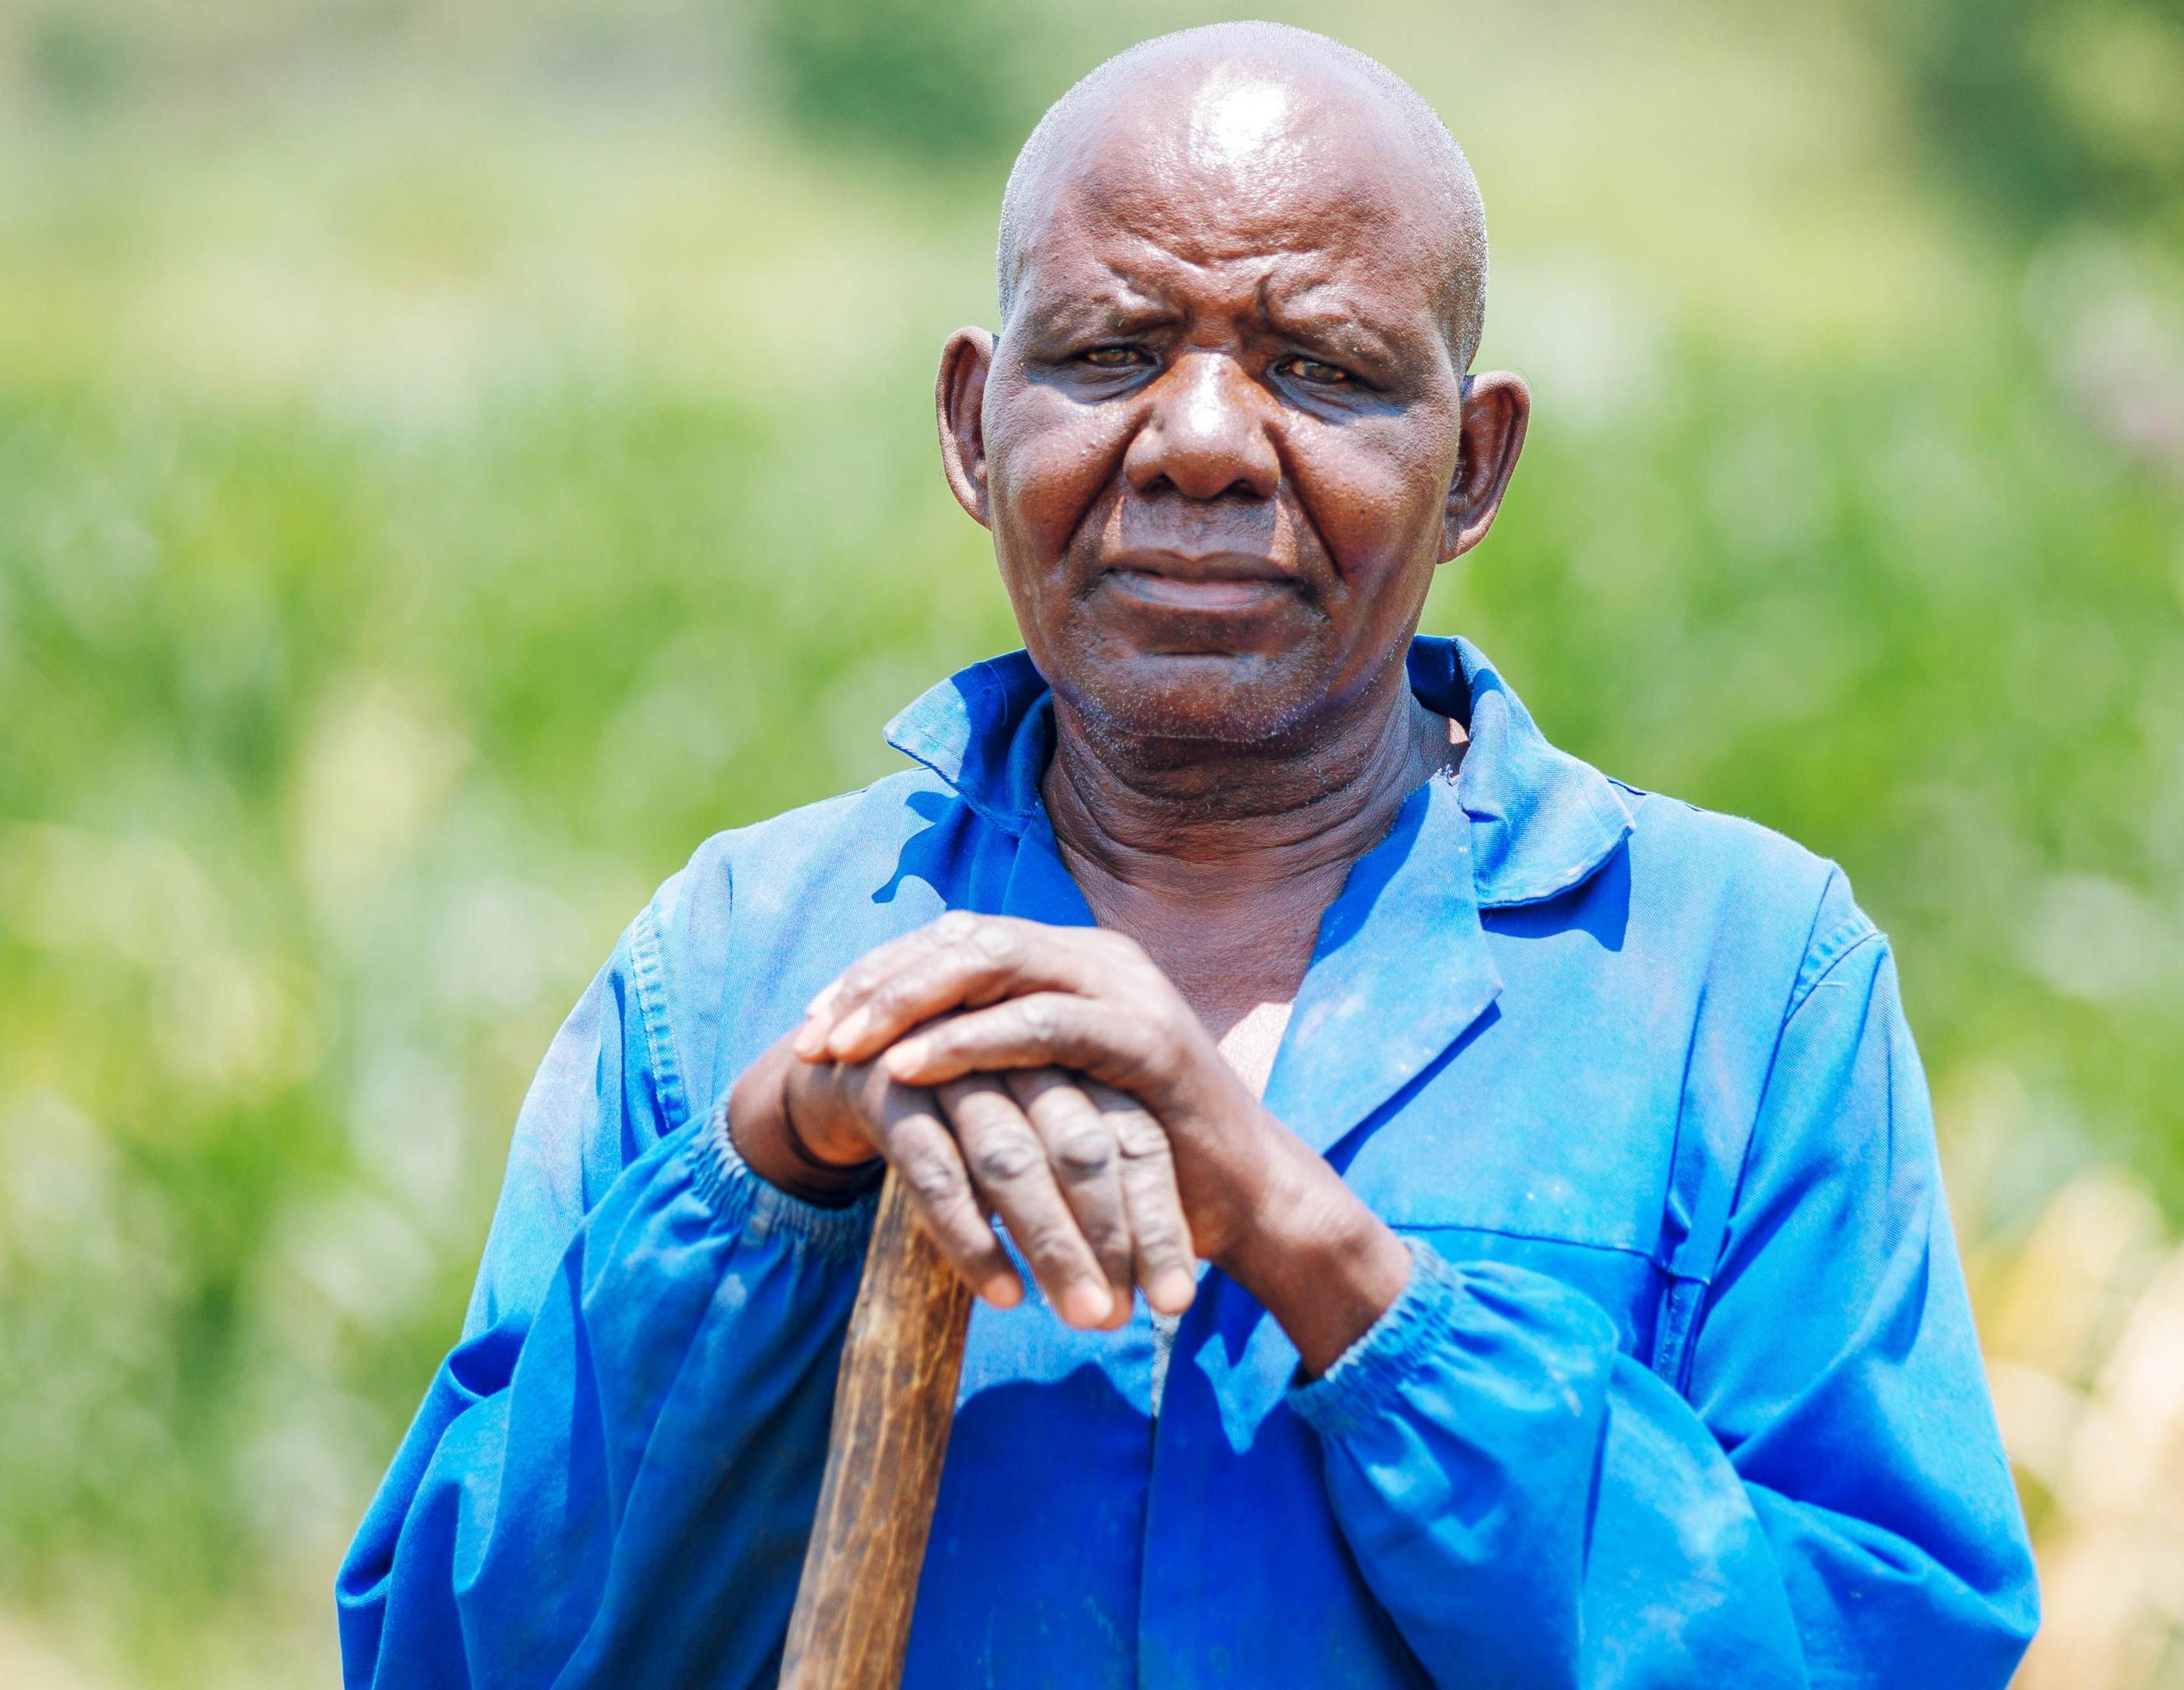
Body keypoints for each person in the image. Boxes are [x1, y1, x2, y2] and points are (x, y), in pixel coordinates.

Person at [337, 21, 2036, 1688]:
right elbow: (446, 1655)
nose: (1205, 441)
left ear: (1474, 464)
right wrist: (778, 1181)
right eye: (1107, 351)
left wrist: (1324, 1254)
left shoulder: (1737, 981)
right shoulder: (734, 969)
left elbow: (1883, 1651)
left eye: (1324, 371)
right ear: (970, 425)